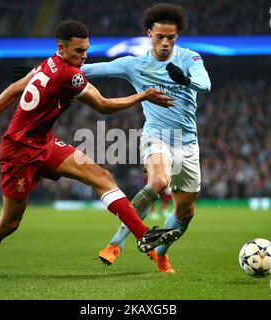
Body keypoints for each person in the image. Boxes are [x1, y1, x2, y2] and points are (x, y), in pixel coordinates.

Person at [0, 20, 182, 278]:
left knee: (103, 178)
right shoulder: (68, 75)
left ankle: (144, 235)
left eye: (86, 50)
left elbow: (14, 89)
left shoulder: (48, 62)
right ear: (61, 48)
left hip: (44, 143)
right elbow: (104, 106)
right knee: (9, 223)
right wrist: (143, 95)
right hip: (19, 153)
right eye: (78, 51)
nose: (84, 56)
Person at [81, 4, 211, 273]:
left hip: (188, 143)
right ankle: (115, 243)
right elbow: (92, 70)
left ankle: (161, 255)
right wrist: (44, 71)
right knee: (159, 181)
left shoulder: (190, 59)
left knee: (186, 212)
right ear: (149, 33)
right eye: (159, 37)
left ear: (177, 37)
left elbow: (205, 84)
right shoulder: (135, 65)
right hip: (156, 135)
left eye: (171, 38)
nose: (165, 43)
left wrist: (185, 80)